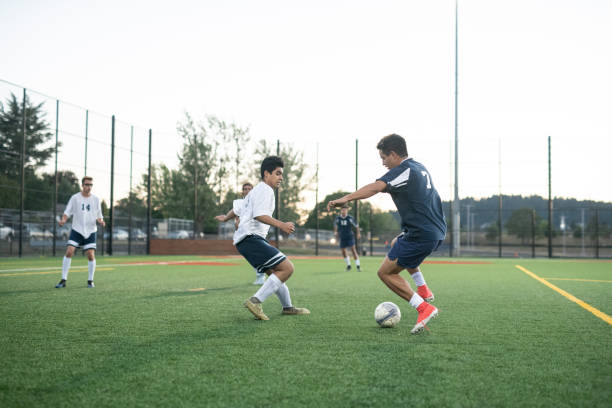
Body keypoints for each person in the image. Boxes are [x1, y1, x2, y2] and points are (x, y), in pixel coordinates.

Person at [327, 134, 446, 334]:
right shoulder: (420, 167)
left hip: (421, 234)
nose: (383, 163)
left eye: (383, 158)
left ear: (393, 154)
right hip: (435, 231)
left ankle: (423, 307)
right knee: (396, 244)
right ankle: (423, 288)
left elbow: (375, 187)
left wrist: (345, 198)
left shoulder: (403, 170)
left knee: (385, 273)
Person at [234, 155, 309, 320]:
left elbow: (238, 209)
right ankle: (255, 301)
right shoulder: (265, 190)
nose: (281, 177)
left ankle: (287, 307)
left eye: (282, 174)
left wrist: (227, 218)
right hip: (250, 238)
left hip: (245, 241)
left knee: (275, 272)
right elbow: (260, 214)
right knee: (287, 268)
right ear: (266, 174)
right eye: (277, 173)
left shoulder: (257, 191)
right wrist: (282, 225)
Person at [55, 176, 105, 288]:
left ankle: (90, 281)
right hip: (77, 230)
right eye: (87, 184)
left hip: (91, 231)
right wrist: (63, 220)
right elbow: (67, 212)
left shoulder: (96, 199)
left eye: (91, 185)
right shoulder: (75, 198)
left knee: (90, 255)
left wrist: (101, 221)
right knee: (69, 251)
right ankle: (63, 280)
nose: (89, 187)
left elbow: (99, 216)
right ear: (82, 185)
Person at [214, 182, 266, 285]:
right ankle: (262, 274)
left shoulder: (257, 202)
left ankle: (262, 275)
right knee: (252, 255)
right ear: (242, 191)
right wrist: (227, 219)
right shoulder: (240, 203)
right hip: (246, 235)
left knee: (258, 255)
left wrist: (226, 218)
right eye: (245, 189)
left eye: (249, 189)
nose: (247, 191)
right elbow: (234, 212)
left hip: (258, 232)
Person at [334, 204, 362, 271]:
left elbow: (357, 226)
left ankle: (358, 266)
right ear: (341, 210)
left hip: (350, 236)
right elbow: (335, 225)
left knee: (353, 250)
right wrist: (335, 233)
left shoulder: (350, 218)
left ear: (347, 210)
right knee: (343, 251)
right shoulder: (338, 218)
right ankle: (348, 265)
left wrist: (358, 233)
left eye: (345, 209)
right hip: (342, 237)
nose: (344, 211)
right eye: (343, 209)